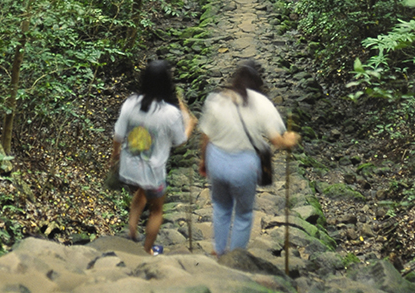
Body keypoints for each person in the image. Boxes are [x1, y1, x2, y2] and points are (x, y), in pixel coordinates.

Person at [198, 60, 300, 256]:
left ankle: (218, 250)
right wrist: (291, 140)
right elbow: (276, 140)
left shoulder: (217, 99)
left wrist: (204, 161)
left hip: (216, 161)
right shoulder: (262, 103)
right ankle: (236, 257)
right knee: (243, 215)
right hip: (244, 166)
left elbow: (205, 137)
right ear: (258, 82)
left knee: (221, 208)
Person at [110, 60, 196, 255]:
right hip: (153, 171)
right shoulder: (170, 112)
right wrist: (189, 123)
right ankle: (147, 250)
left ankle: (131, 232)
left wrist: (115, 156)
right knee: (157, 209)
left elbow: (118, 134)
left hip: (129, 166)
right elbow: (180, 141)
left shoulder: (131, 103)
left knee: (139, 193)